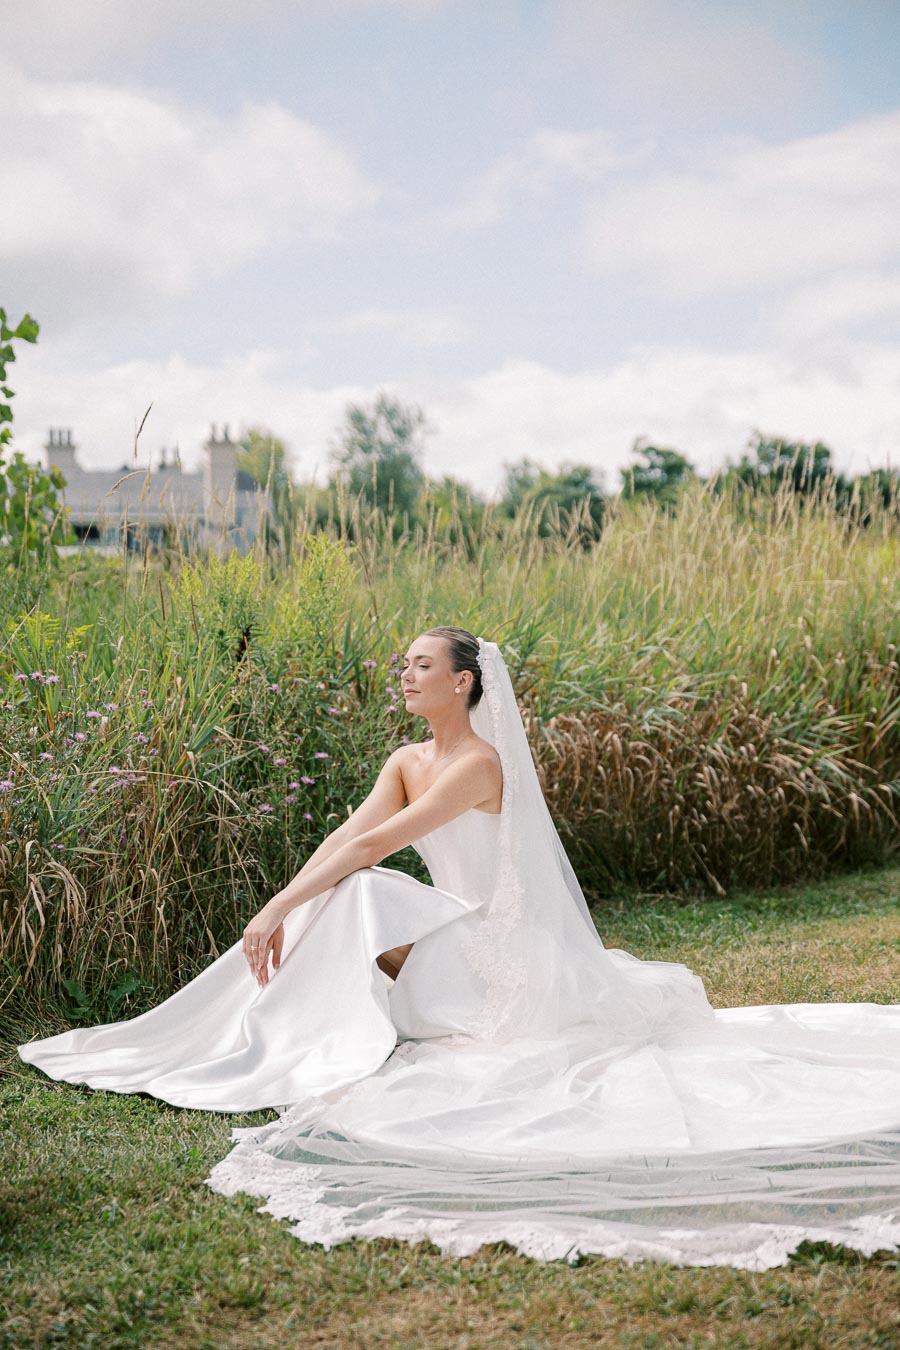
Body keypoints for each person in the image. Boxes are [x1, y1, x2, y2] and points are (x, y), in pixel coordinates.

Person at [18, 628, 900, 1269]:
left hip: (497, 953)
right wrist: (278, 906)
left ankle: (285, 1041)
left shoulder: (478, 764)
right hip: (447, 938)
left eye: (423, 665)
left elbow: (370, 855)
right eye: (403, 663)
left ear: (466, 683)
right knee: (344, 892)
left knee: (359, 892)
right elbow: (345, 834)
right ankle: (252, 1040)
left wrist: (276, 908)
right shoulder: (407, 758)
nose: (404, 674)